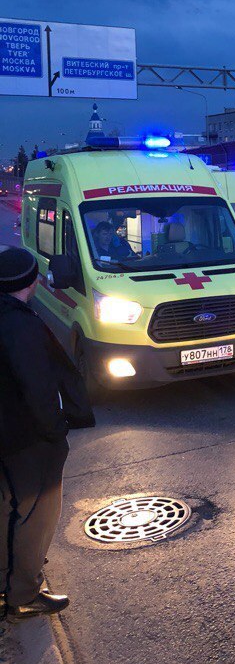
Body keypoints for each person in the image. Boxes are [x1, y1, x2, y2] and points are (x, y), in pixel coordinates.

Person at [0, 247, 94, 620]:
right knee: (36, 516)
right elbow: (37, 386)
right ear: (31, 282)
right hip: (27, 439)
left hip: (8, 437)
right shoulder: (20, 324)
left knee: (7, 510)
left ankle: (6, 584)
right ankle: (23, 594)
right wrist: (56, 431)